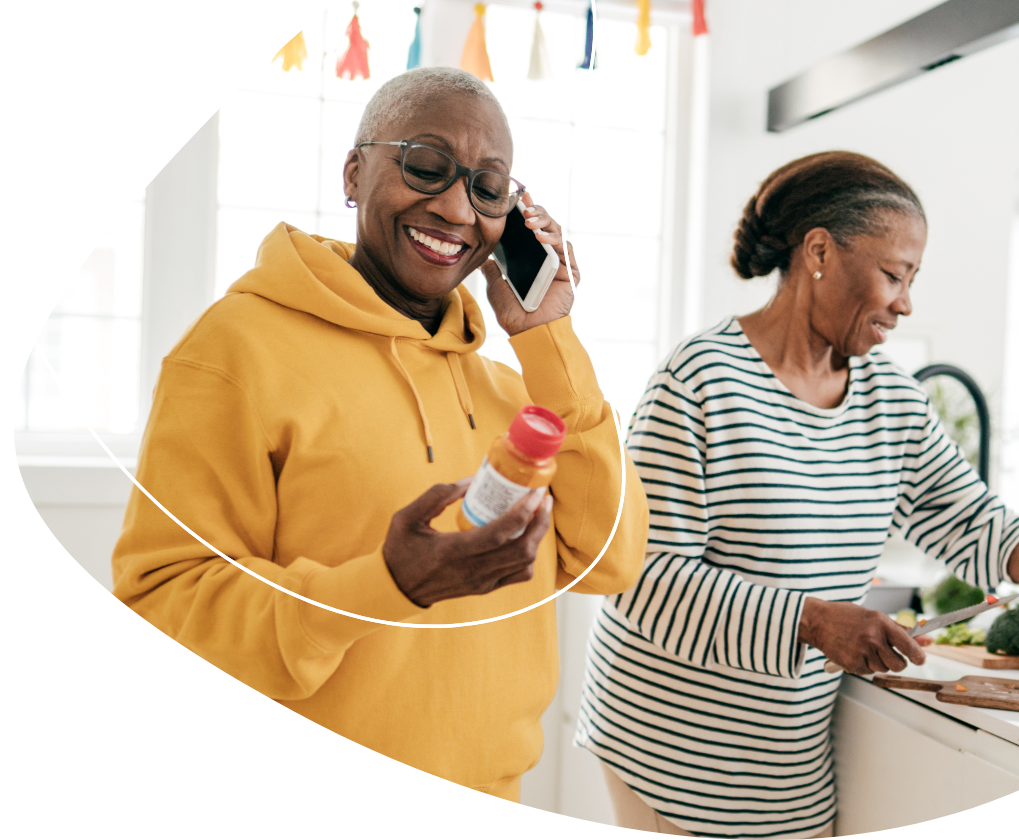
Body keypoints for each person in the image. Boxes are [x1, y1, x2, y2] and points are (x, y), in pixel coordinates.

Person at [111, 67, 648, 802]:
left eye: (488, 189)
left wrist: (547, 335)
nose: (456, 207)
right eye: (426, 166)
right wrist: (386, 585)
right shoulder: (234, 351)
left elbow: (610, 559)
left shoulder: (513, 389)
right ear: (355, 173)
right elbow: (167, 605)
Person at [575, 151, 1019, 838]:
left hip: (789, 768)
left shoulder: (892, 400)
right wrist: (811, 621)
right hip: (668, 757)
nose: (906, 301)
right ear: (819, 253)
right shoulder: (699, 382)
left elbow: (976, 522)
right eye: (895, 274)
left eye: (912, 278)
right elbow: (641, 579)